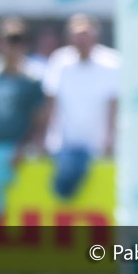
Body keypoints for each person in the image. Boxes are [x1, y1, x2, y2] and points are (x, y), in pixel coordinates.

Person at [42, 14, 120, 200]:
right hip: (66, 143)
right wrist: (48, 137)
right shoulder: (60, 61)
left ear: (95, 36)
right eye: (78, 34)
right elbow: (51, 101)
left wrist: (110, 139)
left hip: (98, 145)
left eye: (86, 34)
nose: (82, 39)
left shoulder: (112, 63)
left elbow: (114, 104)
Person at [0, 17, 46, 222]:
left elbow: (40, 120)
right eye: (8, 39)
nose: (12, 46)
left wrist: (26, 146)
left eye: (17, 39)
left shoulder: (32, 79)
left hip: (18, 153)